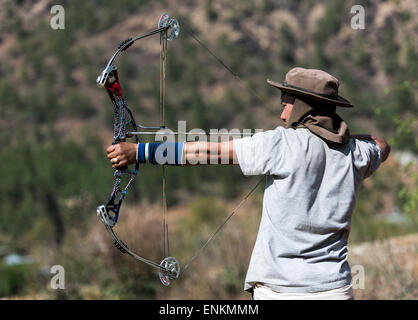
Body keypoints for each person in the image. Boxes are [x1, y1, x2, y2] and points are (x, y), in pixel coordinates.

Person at [105, 67, 390, 300]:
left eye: (287, 106)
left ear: (304, 107)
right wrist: (343, 138)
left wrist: (140, 152)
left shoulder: (281, 143)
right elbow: (382, 144)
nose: (282, 115)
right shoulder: (357, 152)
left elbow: (205, 152)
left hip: (279, 291)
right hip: (334, 290)